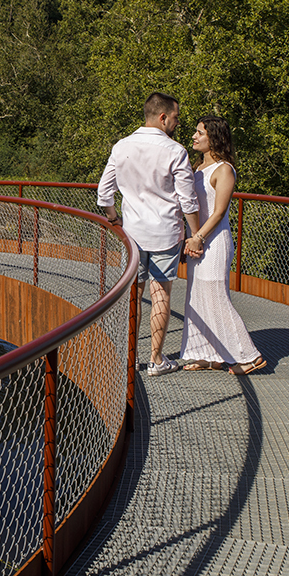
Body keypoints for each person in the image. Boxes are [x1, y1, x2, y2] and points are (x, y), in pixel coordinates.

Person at [98, 92, 203, 376]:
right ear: (162, 117)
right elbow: (188, 200)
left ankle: (130, 358)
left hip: (132, 234)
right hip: (165, 234)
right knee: (161, 296)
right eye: (176, 118)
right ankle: (156, 360)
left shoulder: (122, 146)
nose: (178, 123)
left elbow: (104, 194)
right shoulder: (174, 151)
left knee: (134, 295)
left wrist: (115, 219)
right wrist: (196, 234)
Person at [179, 115, 267, 375]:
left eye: (199, 133)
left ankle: (249, 356)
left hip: (214, 242)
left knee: (215, 297)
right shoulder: (197, 168)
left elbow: (218, 212)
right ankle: (209, 354)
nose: (194, 137)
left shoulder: (224, 169)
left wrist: (198, 237)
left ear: (214, 138)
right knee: (197, 297)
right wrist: (189, 237)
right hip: (197, 240)